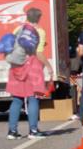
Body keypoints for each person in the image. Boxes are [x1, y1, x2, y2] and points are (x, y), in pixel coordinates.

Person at [6, 8, 54, 140]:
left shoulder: (17, 29)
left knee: (17, 99)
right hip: (32, 67)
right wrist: (49, 67)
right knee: (33, 98)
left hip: (16, 67)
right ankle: (33, 130)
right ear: (39, 18)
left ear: (27, 16)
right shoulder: (39, 31)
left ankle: (12, 131)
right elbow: (38, 53)